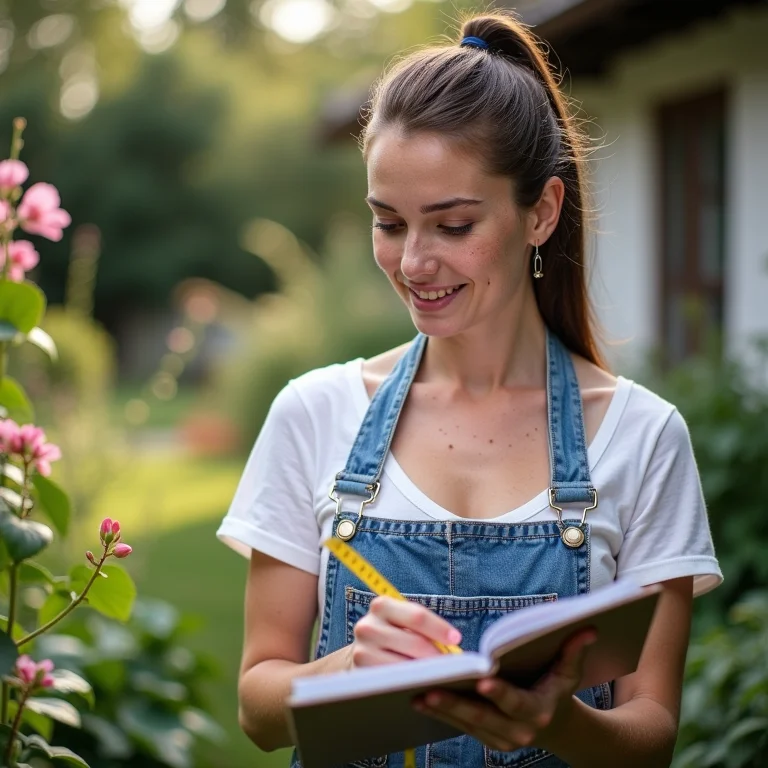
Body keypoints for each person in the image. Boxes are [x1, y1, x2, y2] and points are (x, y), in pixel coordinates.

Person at [217, 10, 722, 768]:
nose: (413, 261)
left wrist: (551, 722)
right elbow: (259, 707)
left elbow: (650, 738)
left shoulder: (643, 437)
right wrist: (348, 670)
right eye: (389, 223)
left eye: (452, 226)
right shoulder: (314, 414)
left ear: (541, 212)